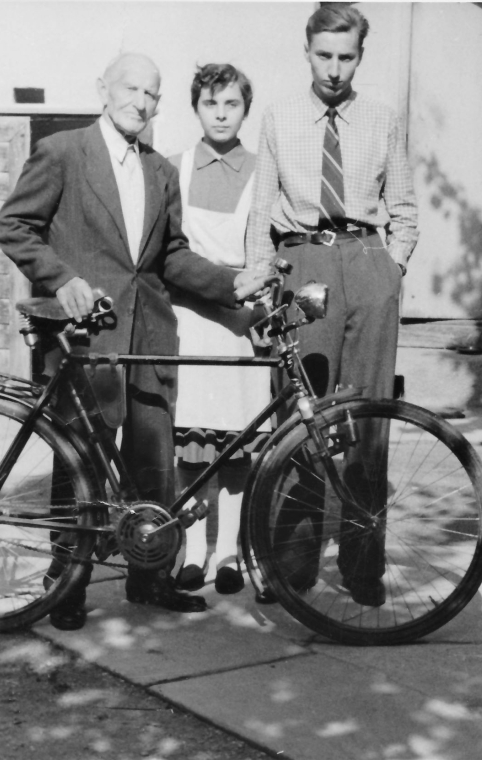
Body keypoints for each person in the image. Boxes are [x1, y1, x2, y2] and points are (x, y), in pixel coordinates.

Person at [0, 53, 275, 631]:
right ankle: (66, 582)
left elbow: (171, 256)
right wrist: (63, 279)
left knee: (153, 462)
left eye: (151, 93)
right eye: (131, 89)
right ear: (104, 89)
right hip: (84, 335)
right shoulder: (64, 153)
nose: (140, 102)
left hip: (149, 333)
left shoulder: (160, 171)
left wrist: (231, 284)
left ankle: (150, 578)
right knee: (79, 464)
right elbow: (15, 226)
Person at [245, 6, 418, 607]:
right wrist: (264, 278)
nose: (335, 69)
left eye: (346, 56)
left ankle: (363, 566)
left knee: (368, 423)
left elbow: (405, 207)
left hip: (367, 264)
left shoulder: (383, 120)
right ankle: (290, 570)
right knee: (300, 420)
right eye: (324, 55)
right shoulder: (279, 116)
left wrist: (389, 270)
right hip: (305, 266)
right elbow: (259, 211)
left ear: (360, 56)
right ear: (307, 52)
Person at [169, 64, 269, 596]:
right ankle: (189, 550)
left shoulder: (261, 170)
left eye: (231, 104)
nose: (222, 113)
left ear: (244, 109)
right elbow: (167, 253)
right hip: (188, 322)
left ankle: (227, 551)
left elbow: (267, 252)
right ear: (197, 108)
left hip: (239, 324)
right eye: (211, 104)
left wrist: (258, 301)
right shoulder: (174, 169)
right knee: (191, 444)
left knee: (232, 444)